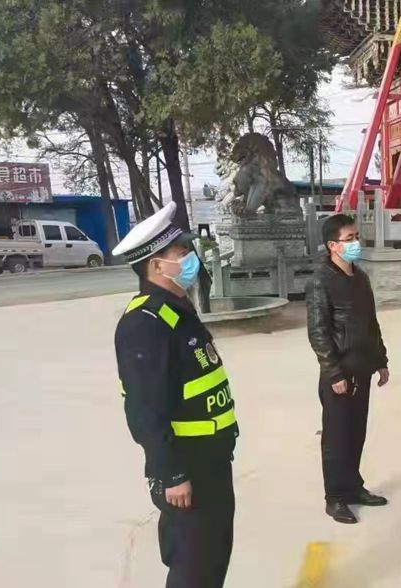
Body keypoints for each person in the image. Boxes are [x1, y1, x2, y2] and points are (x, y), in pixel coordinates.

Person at [113, 202, 239, 588]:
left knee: (213, 557)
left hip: (211, 459)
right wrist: (172, 473)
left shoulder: (177, 310)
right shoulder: (144, 323)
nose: (189, 258)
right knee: (194, 567)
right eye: (181, 253)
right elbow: (143, 410)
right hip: (187, 468)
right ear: (156, 265)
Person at [306, 214, 391, 525]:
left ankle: (354, 487)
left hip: (362, 368)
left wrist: (381, 360)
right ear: (333, 245)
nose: (356, 243)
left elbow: (371, 323)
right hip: (339, 373)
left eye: (357, 237)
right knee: (336, 438)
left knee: (356, 433)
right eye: (349, 238)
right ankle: (335, 497)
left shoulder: (360, 277)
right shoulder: (320, 281)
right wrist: (334, 373)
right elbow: (318, 332)